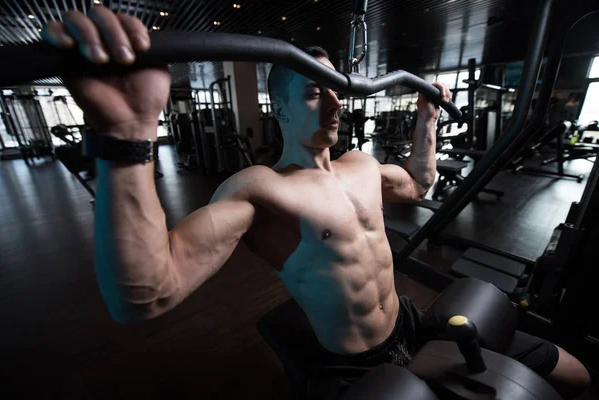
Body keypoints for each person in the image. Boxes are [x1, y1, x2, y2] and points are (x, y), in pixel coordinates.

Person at [41, 6, 591, 399]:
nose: (332, 101)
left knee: (574, 374)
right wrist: (127, 134)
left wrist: (426, 119)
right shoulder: (261, 188)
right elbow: (145, 296)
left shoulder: (364, 165)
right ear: (278, 108)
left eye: (334, 90)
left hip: (413, 324)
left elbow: (420, 182)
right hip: (351, 366)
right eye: (311, 92)